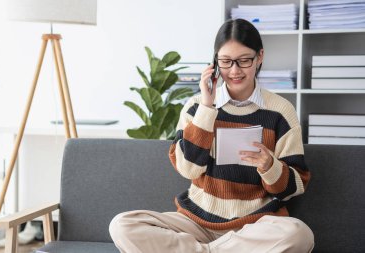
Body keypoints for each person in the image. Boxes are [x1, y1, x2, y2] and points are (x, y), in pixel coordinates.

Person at [109, 18, 314, 253]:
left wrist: (270, 166)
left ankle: (205, 250)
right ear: (214, 62)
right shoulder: (196, 106)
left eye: (244, 60)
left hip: (254, 226)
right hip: (195, 222)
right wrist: (207, 108)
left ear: (260, 57)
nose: (234, 71)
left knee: (299, 235)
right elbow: (188, 170)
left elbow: (296, 185)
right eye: (225, 62)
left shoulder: (280, 111)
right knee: (123, 225)